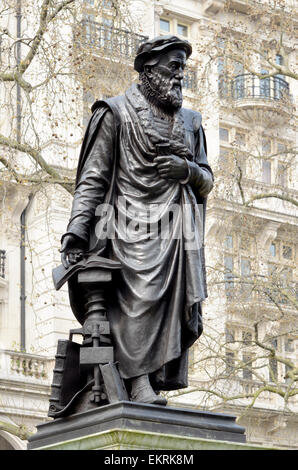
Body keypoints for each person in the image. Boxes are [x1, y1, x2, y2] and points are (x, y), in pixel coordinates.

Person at [60, 35, 214, 405]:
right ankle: (138, 382)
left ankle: (152, 381)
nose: (179, 77)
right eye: (172, 68)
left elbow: (206, 179)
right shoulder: (114, 113)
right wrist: (76, 233)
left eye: (183, 69)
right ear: (148, 70)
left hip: (175, 233)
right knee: (137, 297)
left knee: (169, 307)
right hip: (126, 229)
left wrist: (187, 170)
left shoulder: (191, 123)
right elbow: (93, 178)